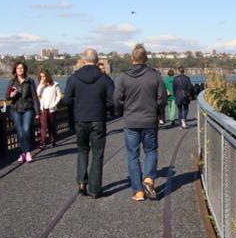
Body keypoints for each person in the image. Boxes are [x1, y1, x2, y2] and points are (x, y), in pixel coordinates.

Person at [114, 44, 167, 201]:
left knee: (133, 156)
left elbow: (116, 99)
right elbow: (162, 99)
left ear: (132, 59)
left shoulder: (123, 77)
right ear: (146, 59)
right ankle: (149, 179)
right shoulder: (155, 76)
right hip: (150, 120)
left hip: (130, 121)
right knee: (150, 151)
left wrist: (122, 112)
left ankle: (138, 191)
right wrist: (156, 111)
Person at [64, 49, 115, 199]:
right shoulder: (105, 79)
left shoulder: (73, 78)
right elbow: (112, 101)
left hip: (80, 119)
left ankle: (81, 181)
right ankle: (95, 189)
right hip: (97, 119)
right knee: (97, 154)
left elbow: (66, 100)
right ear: (97, 59)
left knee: (82, 150)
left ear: (83, 60)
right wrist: (101, 107)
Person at [6, 61, 40, 163]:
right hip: (15, 109)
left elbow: (34, 97)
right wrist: (11, 95)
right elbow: (7, 97)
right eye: (18, 68)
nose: (20, 70)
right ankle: (23, 152)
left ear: (24, 69)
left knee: (26, 130)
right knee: (20, 132)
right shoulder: (12, 82)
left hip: (27, 109)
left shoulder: (29, 81)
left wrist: (37, 111)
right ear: (15, 70)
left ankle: (28, 152)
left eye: (21, 68)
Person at [36, 69, 62, 149]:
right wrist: (40, 84)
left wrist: (54, 104)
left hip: (52, 108)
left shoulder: (54, 85)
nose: (43, 78)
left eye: (44, 76)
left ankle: (53, 140)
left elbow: (59, 95)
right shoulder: (42, 85)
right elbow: (37, 93)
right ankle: (43, 142)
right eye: (41, 77)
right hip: (43, 107)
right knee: (43, 125)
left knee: (51, 125)